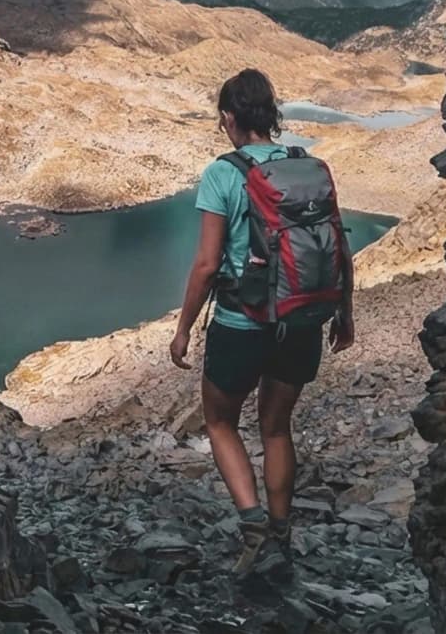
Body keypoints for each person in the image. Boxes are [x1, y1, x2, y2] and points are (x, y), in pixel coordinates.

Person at [170, 68, 355, 575]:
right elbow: (337, 246)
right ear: (271, 115)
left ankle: (254, 532)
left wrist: (184, 329)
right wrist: (344, 313)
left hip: (242, 322)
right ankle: (281, 532)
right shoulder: (308, 167)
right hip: (303, 319)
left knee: (219, 422)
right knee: (276, 428)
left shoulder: (223, 173)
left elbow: (207, 264)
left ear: (229, 117)